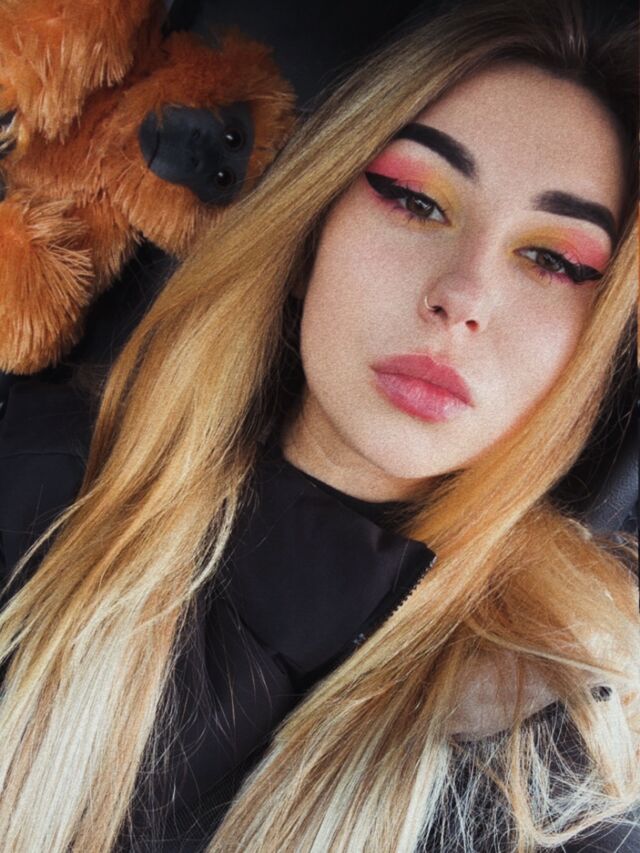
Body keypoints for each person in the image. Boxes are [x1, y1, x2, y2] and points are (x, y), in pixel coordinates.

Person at [0, 0, 638, 850]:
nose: (462, 298)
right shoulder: (40, 479)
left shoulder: (551, 761)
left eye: (552, 259)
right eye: (416, 201)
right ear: (311, 232)